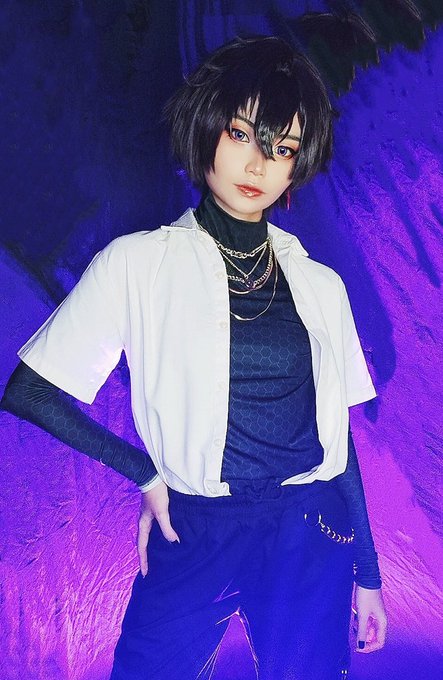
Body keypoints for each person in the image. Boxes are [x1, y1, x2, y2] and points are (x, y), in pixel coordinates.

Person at [1, 36, 387, 680]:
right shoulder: (139, 263)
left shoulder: (322, 286)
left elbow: (337, 440)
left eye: (282, 148)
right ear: (207, 127)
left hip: (309, 530)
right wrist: (147, 476)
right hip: (196, 528)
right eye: (241, 134)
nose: (258, 164)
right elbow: (30, 391)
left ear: (297, 165)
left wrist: (368, 573)